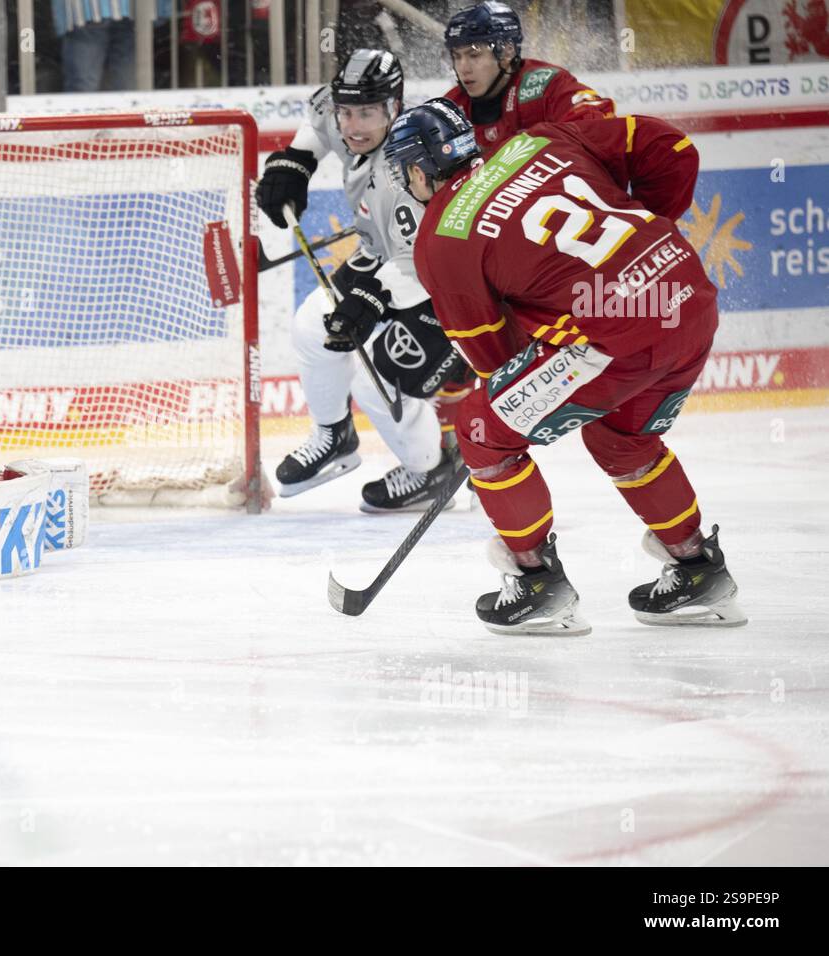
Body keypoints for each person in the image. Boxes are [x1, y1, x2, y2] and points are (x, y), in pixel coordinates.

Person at [384, 98, 747, 634]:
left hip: (617, 338)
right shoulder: (539, 140)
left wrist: (523, 391)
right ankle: (697, 570)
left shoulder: (443, 238)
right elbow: (672, 148)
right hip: (688, 296)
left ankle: (536, 583)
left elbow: (493, 356)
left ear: (418, 169)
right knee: (621, 440)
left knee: (482, 430)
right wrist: (644, 245)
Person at [255, 48, 463, 512]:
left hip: (440, 281)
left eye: (367, 112)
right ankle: (335, 436)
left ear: (394, 108)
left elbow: (425, 259)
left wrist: (374, 298)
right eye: (348, 111)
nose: (352, 125)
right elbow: (319, 123)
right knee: (313, 328)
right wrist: (296, 161)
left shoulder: (409, 165)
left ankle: (431, 470)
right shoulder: (338, 109)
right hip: (380, 254)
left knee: (375, 382)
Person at [441, 1, 614, 158]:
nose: (463, 67)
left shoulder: (544, 85)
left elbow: (600, 126)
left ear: (507, 52)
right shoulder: (449, 109)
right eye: (457, 57)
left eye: (474, 55)